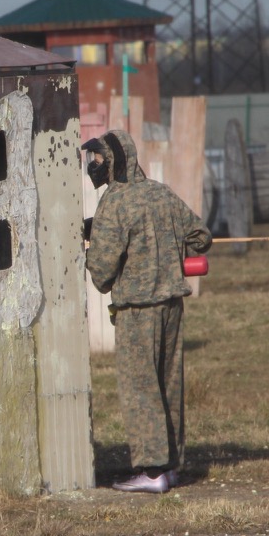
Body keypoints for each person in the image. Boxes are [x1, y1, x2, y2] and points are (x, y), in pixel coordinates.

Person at [82, 130, 212, 494]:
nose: (94, 166)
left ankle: (151, 472)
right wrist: (162, 244)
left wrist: (92, 242)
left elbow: (103, 273)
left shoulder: (115, 202)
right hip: (172, 305)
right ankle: (170, 466)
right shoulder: (161, 193)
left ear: (115, 162)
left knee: (141, 389)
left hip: (137, 309)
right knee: (169, 383)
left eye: (98, 159)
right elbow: (200, 236)